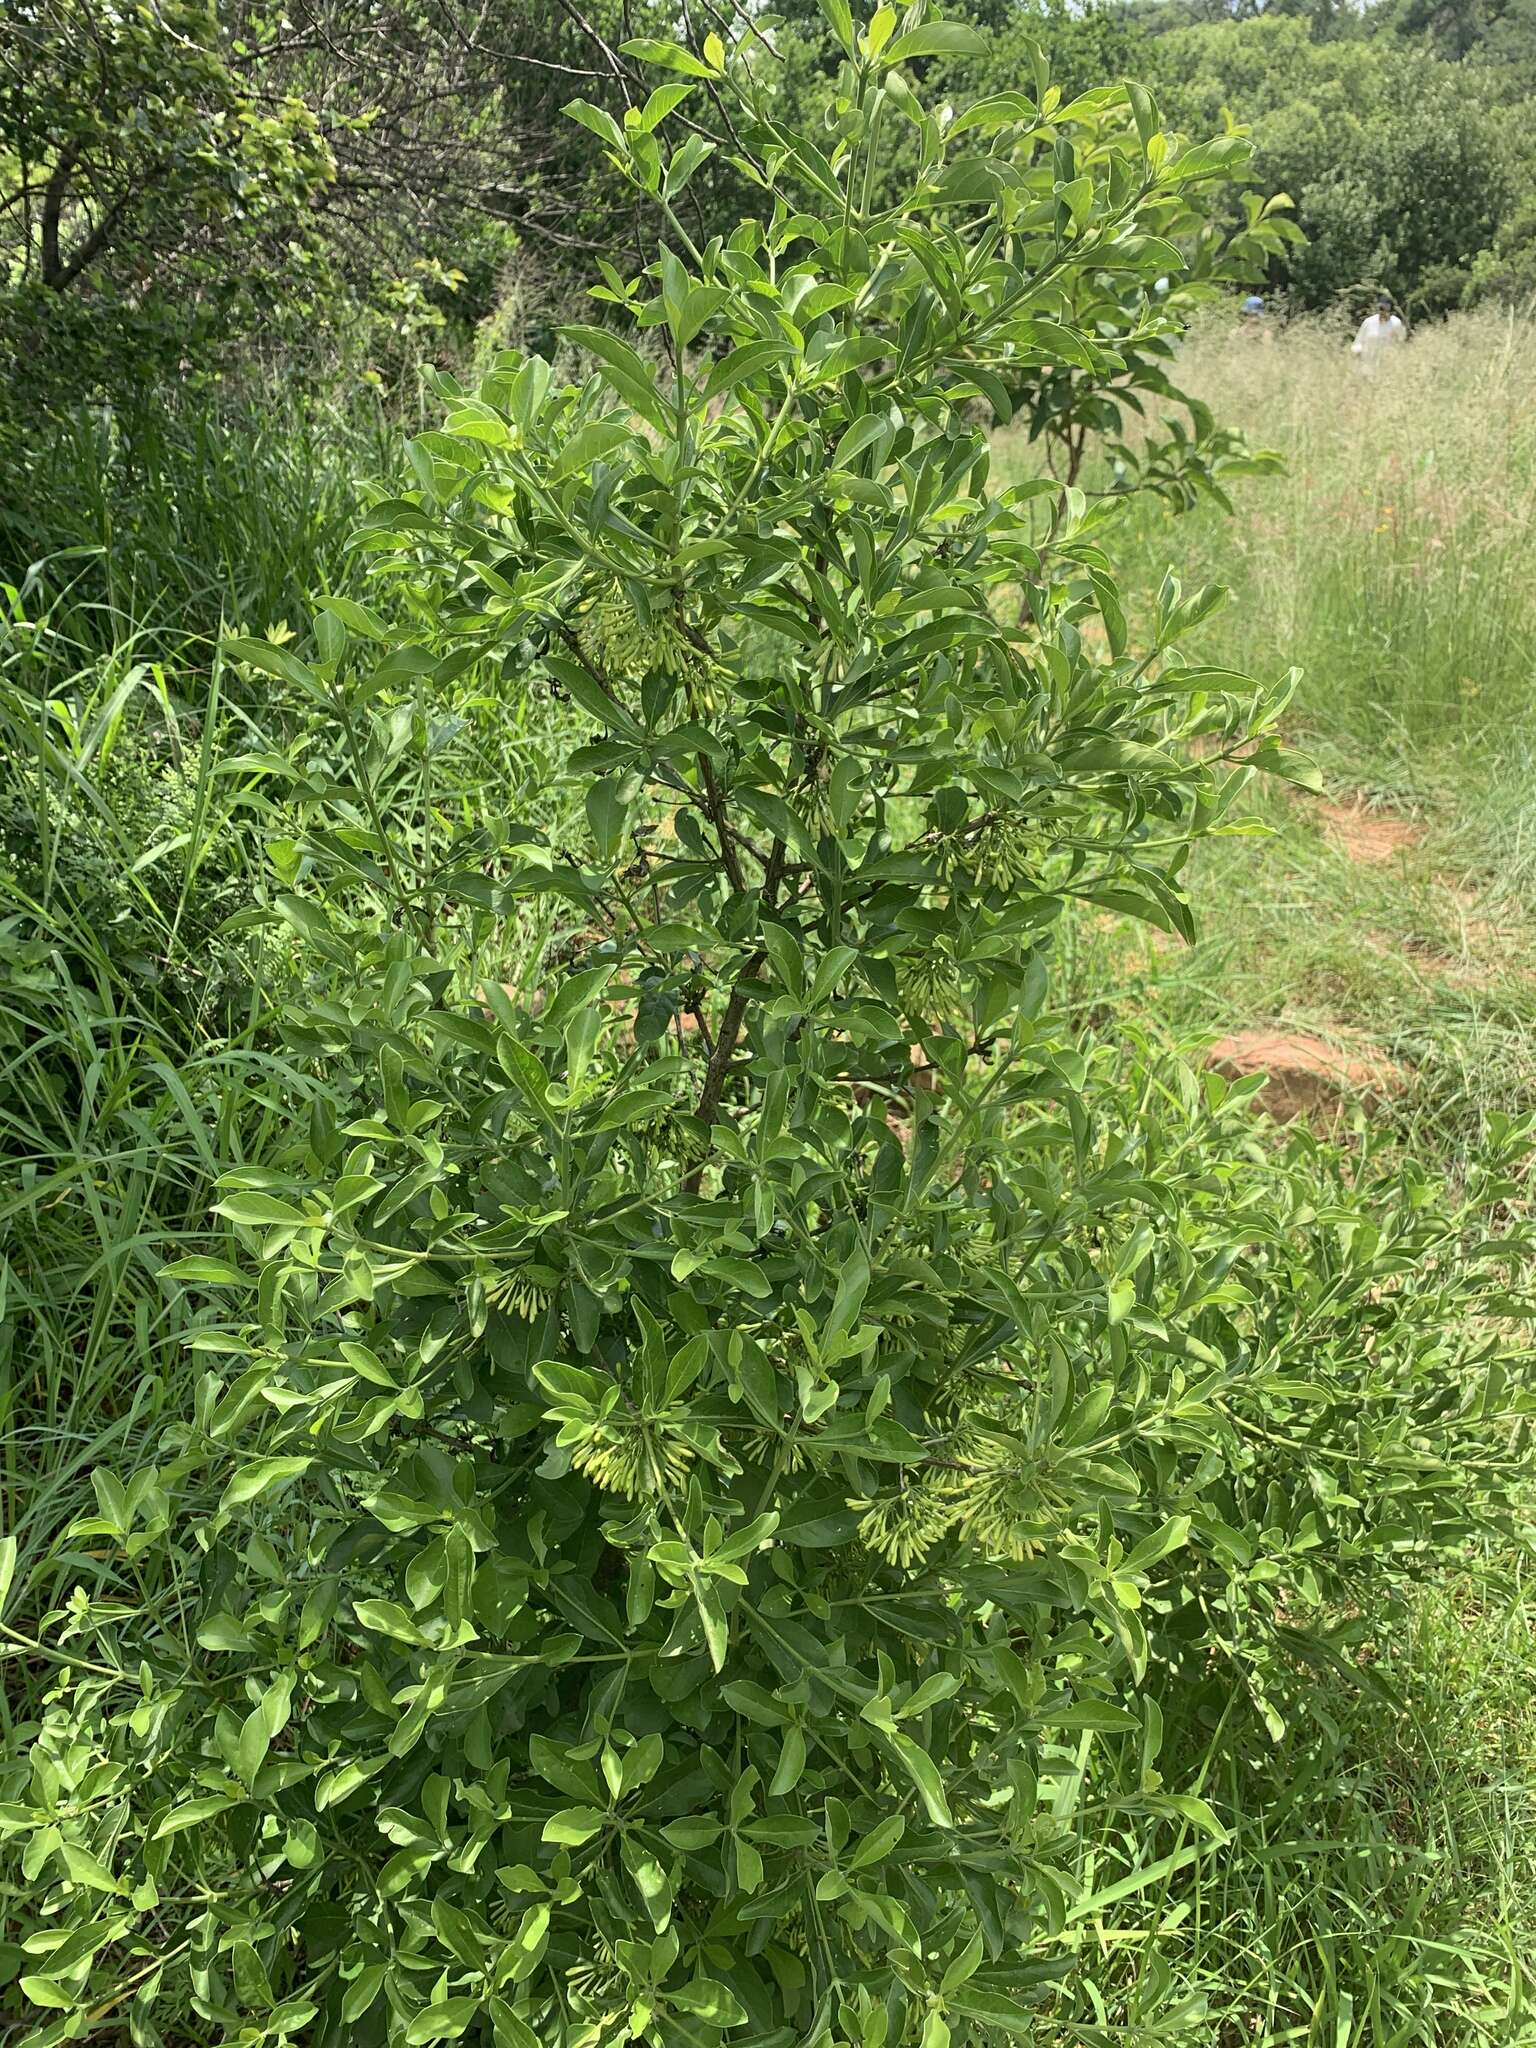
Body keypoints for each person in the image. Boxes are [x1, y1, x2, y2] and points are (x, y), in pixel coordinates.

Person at [1352, 293, 1406, 370]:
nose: (1383, 312)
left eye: (1386, 309)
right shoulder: (1369, 322)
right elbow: (1358, 342)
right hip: (1368, 365)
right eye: (1381, 309)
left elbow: (1401, 343)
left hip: (1388, 366)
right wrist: (1358, 354)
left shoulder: (1396, 323)